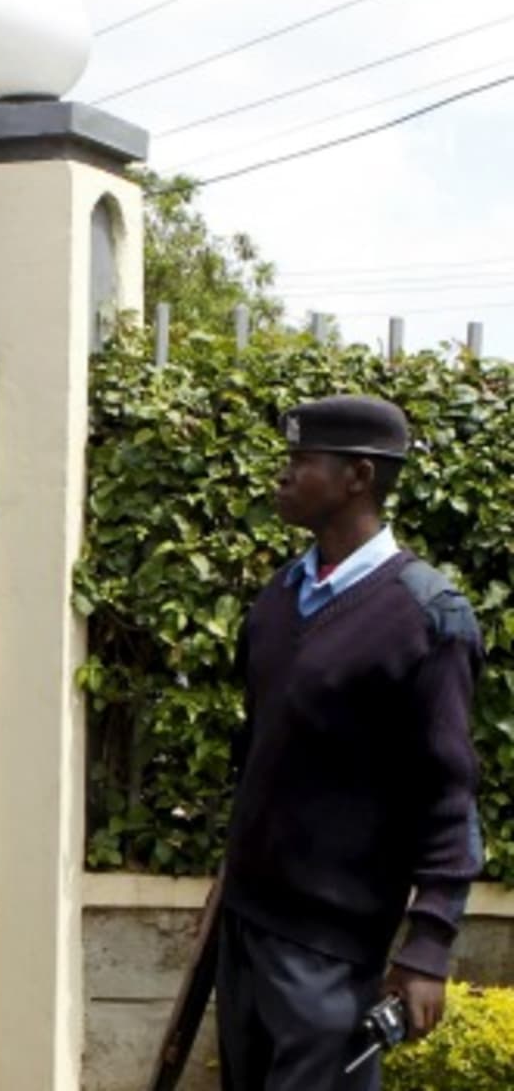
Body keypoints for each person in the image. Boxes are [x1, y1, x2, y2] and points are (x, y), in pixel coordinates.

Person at [217, 396, 481, 1089]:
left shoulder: (427, 619)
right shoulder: (278, 600)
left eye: (301, 462)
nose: (282, 475)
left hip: (331, 955)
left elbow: (448, 792)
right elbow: (261, 757)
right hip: (245, 929)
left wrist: (428, 946)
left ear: (358, 476)